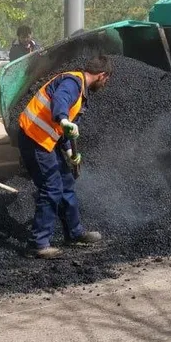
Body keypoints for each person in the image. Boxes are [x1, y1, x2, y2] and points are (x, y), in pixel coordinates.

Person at [17, 55, 112, 259]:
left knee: (66, 182)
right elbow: (60, 102)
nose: (105, 84)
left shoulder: (81, 92)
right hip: (33, 137)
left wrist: (69, 152)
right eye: (106, 80)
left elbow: (64, 131)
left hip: (46, 140)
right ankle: (39, 243)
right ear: (102, 75)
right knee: (51, 187)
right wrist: (63, 119)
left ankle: (74, 233)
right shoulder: (72, 83)